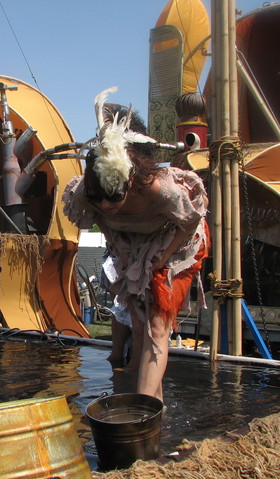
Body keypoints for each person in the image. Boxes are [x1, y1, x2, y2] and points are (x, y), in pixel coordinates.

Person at [62, 87, 210, 402]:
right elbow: (92, 222)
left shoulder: (160, 190)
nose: (108, 205)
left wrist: (162, 258)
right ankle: (154, 417)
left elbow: (192, 221)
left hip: (174, 245)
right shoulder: (84, 196)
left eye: (115, 198)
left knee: (158, 328)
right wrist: (126, 251)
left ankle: (141, 413)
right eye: (100, 200)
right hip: (133, 249)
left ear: (129, 180)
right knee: (142, 330)